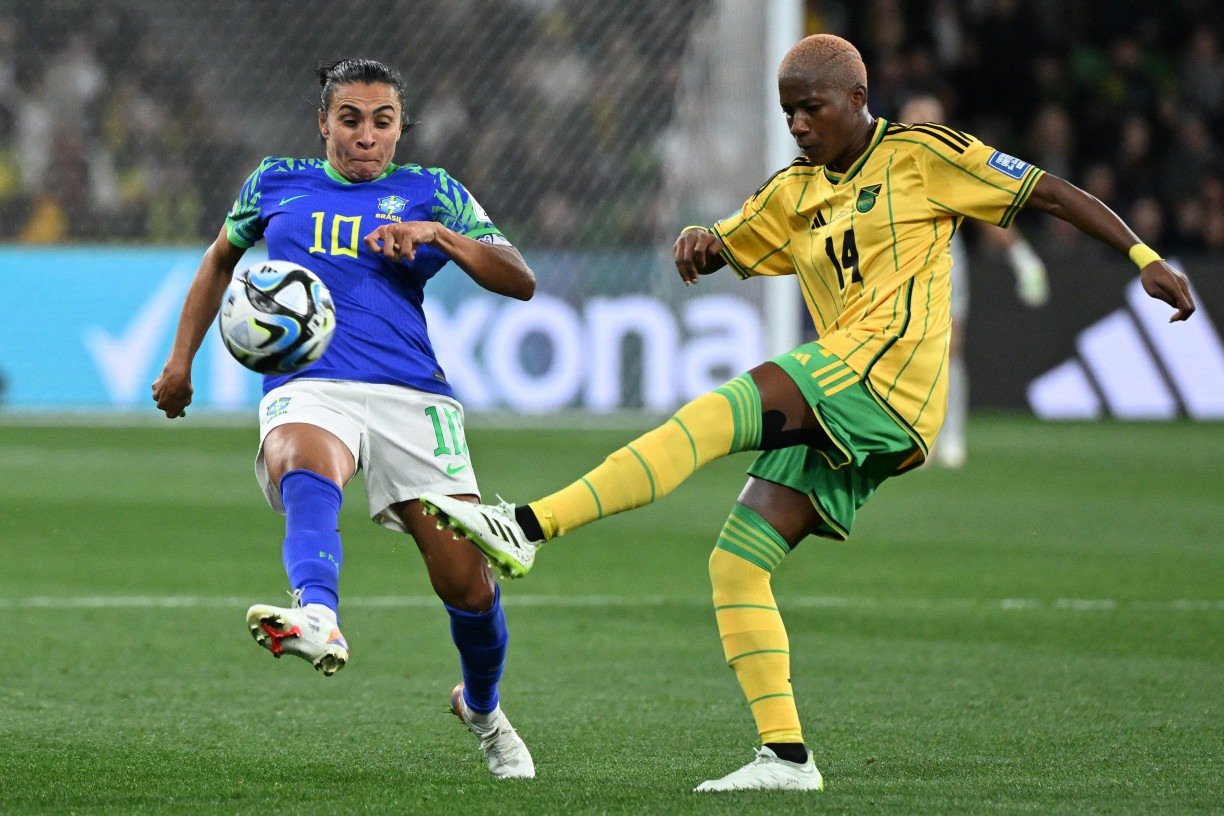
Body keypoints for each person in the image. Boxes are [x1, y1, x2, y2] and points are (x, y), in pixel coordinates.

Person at [421, 34, 1196, 792]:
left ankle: (526, 526)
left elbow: (1052, 192)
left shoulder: (923, 157)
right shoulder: (794, 191)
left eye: (811, 110)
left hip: (885, 377)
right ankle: (785, 757)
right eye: (788, 112)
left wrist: (1145, 259)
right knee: (737, 562)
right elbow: (727, 239)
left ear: (859, 100)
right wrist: (701, 242)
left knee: (720, 411)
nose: (797, 125)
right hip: (848, 398)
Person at [151, 58, 537, 780]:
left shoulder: (432, 192)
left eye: (382, 122)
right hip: (309, 379)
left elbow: (519, 278)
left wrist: (437, 237)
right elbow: (215, 262)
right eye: (350, 119)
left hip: (411, 394)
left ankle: (481, 709)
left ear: (400, 129)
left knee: (467, 586)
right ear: (323, 123)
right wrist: (180, 362)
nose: (366, 136)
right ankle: (318, 613)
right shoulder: (274, 182)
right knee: (302, 455)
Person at [897, 94, 1051, 468]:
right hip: (894, 266)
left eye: (930, 118)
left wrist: (1022, 258)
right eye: (916, 117)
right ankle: (912, 436)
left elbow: (987, 210)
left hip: (944, 262)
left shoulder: (951, 165)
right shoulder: (885, 164)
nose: (923, 124)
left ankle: (949, 439)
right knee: (903, 354)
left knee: (950, 349)